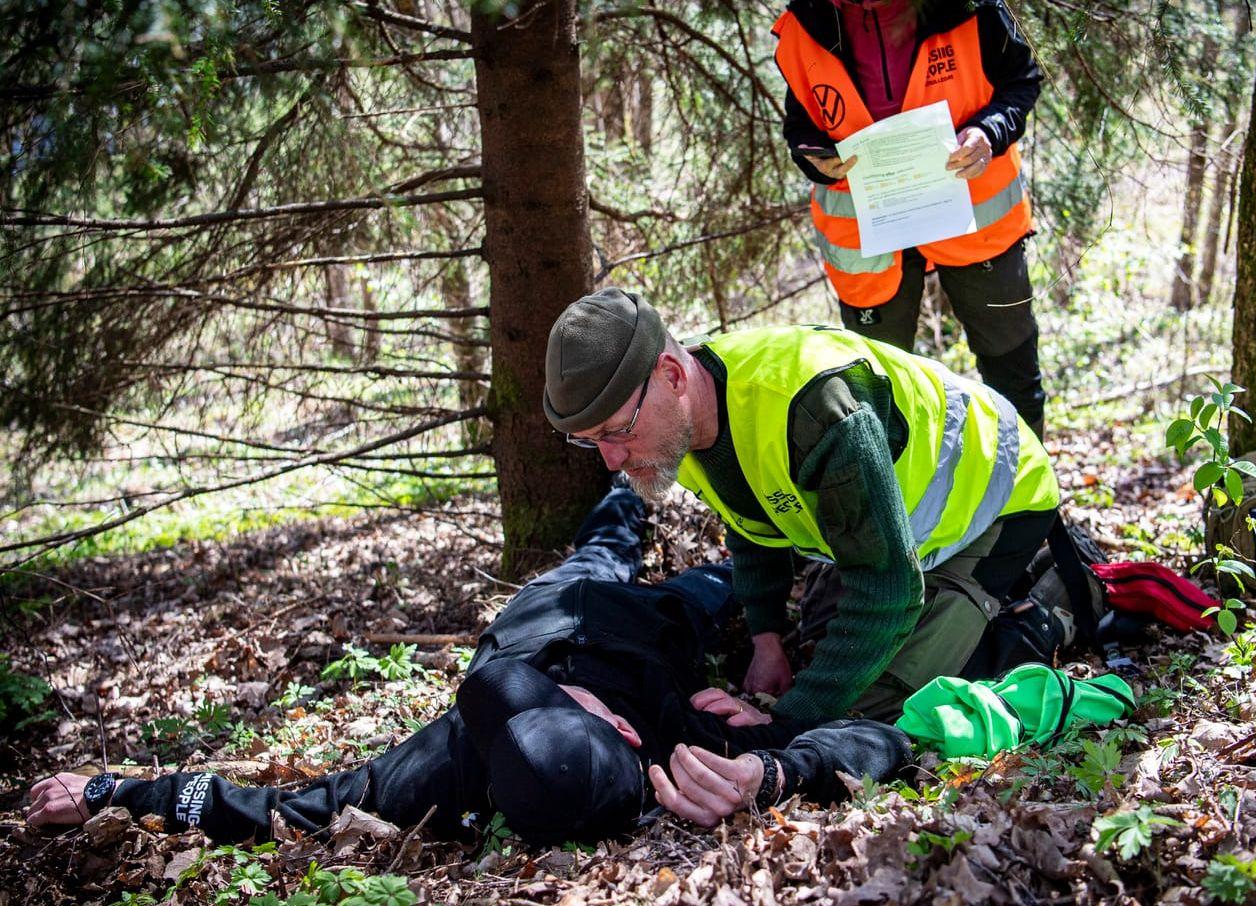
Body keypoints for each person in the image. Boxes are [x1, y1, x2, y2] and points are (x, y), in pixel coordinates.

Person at [26, 485, 911, 845]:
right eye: (599, 726)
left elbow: (271, 811)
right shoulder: (681, 752)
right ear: (628, 739)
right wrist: (773, 760)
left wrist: (114, 793)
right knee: (722, 587)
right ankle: (679, 519)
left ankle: (622, 490)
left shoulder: (430, 778)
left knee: (598, 546)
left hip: (546, 612)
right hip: (650, 629)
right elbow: (876, 740)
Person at [543, 288, 1066, 727]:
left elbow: (888, 590)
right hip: (900, 528)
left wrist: (787, 725)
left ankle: (1050, 597)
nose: (612, 459)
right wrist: (766, 636)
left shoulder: (812, 404)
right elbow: (751, 523)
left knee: (881, 705)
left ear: (672, 376)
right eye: (591, 441)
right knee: (824, 646)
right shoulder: (682, 420)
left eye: (617, 430)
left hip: (998, 498)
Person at [775, 0, 1047, 437]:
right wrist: (812, 157)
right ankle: (902, 501)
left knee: (1012, 372)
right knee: (879, 391)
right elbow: (802, 122)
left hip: (977, 221)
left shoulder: (971, 7)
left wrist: (988, 132)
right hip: (868, 235)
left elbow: (1021, 80)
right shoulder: (809, 21)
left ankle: (1029, 502)